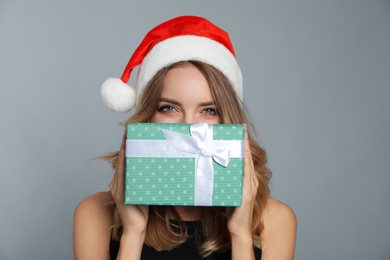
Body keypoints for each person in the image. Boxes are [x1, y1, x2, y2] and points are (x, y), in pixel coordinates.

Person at [73, 15, 297, 260]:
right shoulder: (95, 213)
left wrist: (240, 234)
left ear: (228, 121)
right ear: (149, 117)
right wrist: (133, 234)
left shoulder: (275, 220)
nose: (190, 127)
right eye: (169, 108)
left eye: (209, 111)